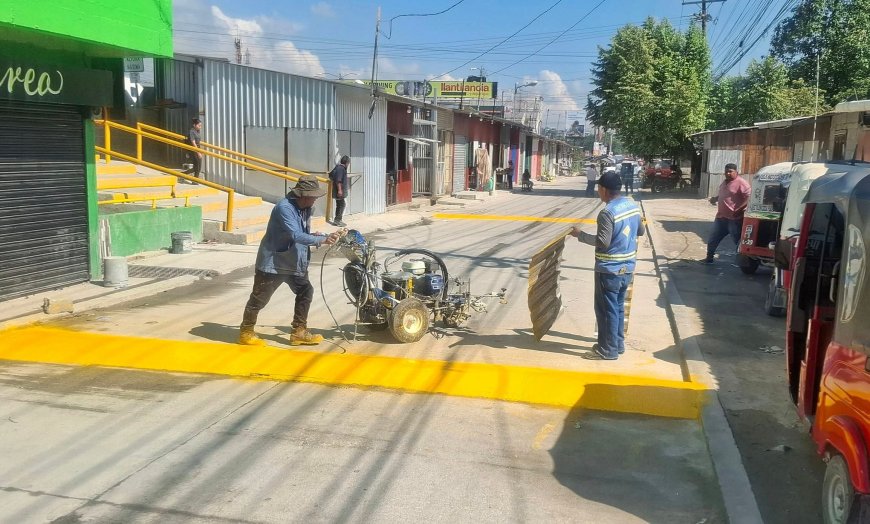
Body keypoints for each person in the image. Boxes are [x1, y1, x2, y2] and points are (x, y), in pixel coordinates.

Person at [238, 175, 342, 346]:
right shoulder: (284, 208)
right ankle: (246, 331)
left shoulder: (305, 208)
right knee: (259, 299)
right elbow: (295, 234)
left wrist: (317, 236)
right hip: (274, 263)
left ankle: (298, 331)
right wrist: (321, 240)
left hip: (294, 262)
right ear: (303, 195)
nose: (316, 199)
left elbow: (301, 234)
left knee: (305, 291)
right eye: (314, 196)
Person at [570, 172, 645, 360]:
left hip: (609, 269)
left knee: (605, 311)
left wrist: (580, 235)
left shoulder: (608, 212)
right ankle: (617, 344)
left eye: (598, 188)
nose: (597, 191)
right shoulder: (632, 205)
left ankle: (607, 350)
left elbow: (603, 242)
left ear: (603, 189)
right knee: (617, 307)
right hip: (627, 267)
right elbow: (641, 231)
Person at [702, 163, 750, 264]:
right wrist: (715, 198)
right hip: (721, 217)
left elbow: (749, 198)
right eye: (726, 171)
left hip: (734, 219)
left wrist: (739, 210)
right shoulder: (724, 182)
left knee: (738, 241)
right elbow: (724, 194)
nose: (728, 173)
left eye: (730, 171)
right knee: (713, 238)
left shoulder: (742, 183)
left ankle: (745, 262)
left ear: (736, 172)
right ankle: (709, 258)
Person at [329, 155, 349, 227]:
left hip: (337, 190)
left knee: (340, 204)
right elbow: (338, 180)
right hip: (339, 191)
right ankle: (338, 221)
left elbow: (330, 176)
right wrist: (339, 190)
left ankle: (337, 220)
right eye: (348, 164)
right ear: (347, 163)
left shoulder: (337, 167)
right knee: (342, 205)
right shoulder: (341, 169)